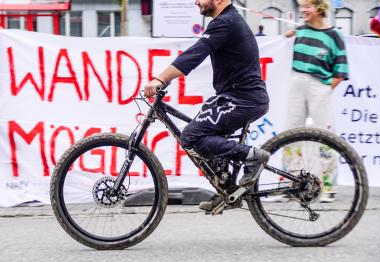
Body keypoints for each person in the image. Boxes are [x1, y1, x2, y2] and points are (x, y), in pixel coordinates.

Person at [144, 0, 270, 211]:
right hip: (234, 97)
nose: (196, 2)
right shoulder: (227, 20)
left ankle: (253, 157)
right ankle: (227, 189)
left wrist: (160, 79)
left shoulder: (226, 22)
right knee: (203, 130)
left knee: (191, 136)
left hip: (243, 99)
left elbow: (195, 54)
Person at [283, 0, 348, 203]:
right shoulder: (299, 31)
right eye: (302, 6)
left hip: (319, 85)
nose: (303, 10)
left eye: (307, 6)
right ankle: (292, 183)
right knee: (291, 132)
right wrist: (284, 39)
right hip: (296, 82)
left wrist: (326, 89)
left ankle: (328, 185)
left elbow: (341, 70)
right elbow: (282, 48)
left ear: (319, 9)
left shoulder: (334, 36)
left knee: (325, 134)